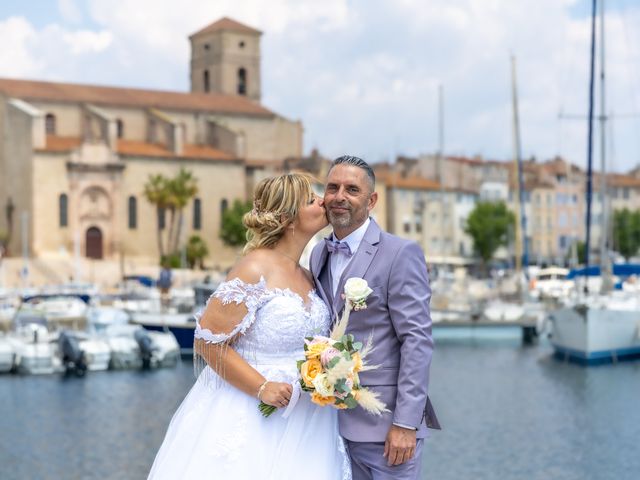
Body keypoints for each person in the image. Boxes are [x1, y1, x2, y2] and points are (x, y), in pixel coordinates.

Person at [148, 173, 351, 479]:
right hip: (255, 411)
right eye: (312, 199)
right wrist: (261, 387)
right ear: (288, 218)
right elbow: (208, 343)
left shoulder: (309, 274)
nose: (323, 201)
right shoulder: (254, 267)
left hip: (309, 418)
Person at [310, 155, 441, 480]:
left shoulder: (400, 253)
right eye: (333, 187)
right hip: (328, 427)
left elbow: (417, 341)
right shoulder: (317, 253)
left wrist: (405, 423)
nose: (340, 196)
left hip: (386, 429)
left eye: (352, 189)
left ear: (371, 200)